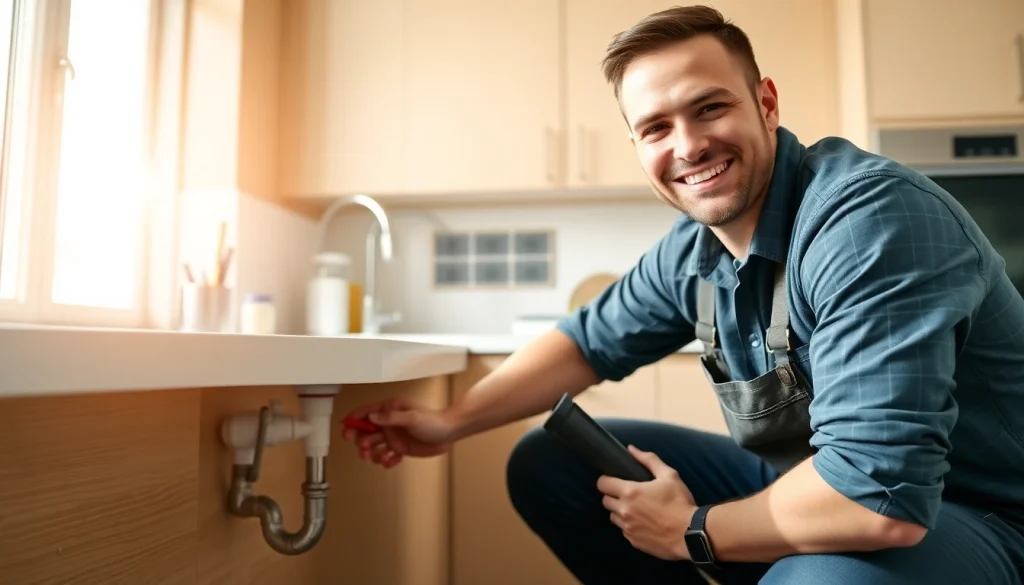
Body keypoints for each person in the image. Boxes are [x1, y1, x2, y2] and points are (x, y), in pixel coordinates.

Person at [340, 5, 1024, 584]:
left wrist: (692, 529)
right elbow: (586, 341)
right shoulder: (696, 247)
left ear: (766, 103)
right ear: (639, 146)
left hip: (977, 515)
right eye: (657, 127)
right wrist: (450, 420)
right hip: (811, 484)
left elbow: (879, 498)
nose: (689, 145)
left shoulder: (866, 223)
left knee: (814, 574)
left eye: (710, 108)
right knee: (552, 462)